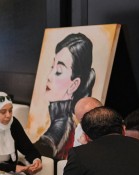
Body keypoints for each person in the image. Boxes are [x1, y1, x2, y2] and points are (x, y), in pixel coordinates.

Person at [33, 32, 96, 161]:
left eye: (58, 71)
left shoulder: (60, 128)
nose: (49, 76)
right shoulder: (60, 121)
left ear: (74, 85)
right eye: (52, 67)